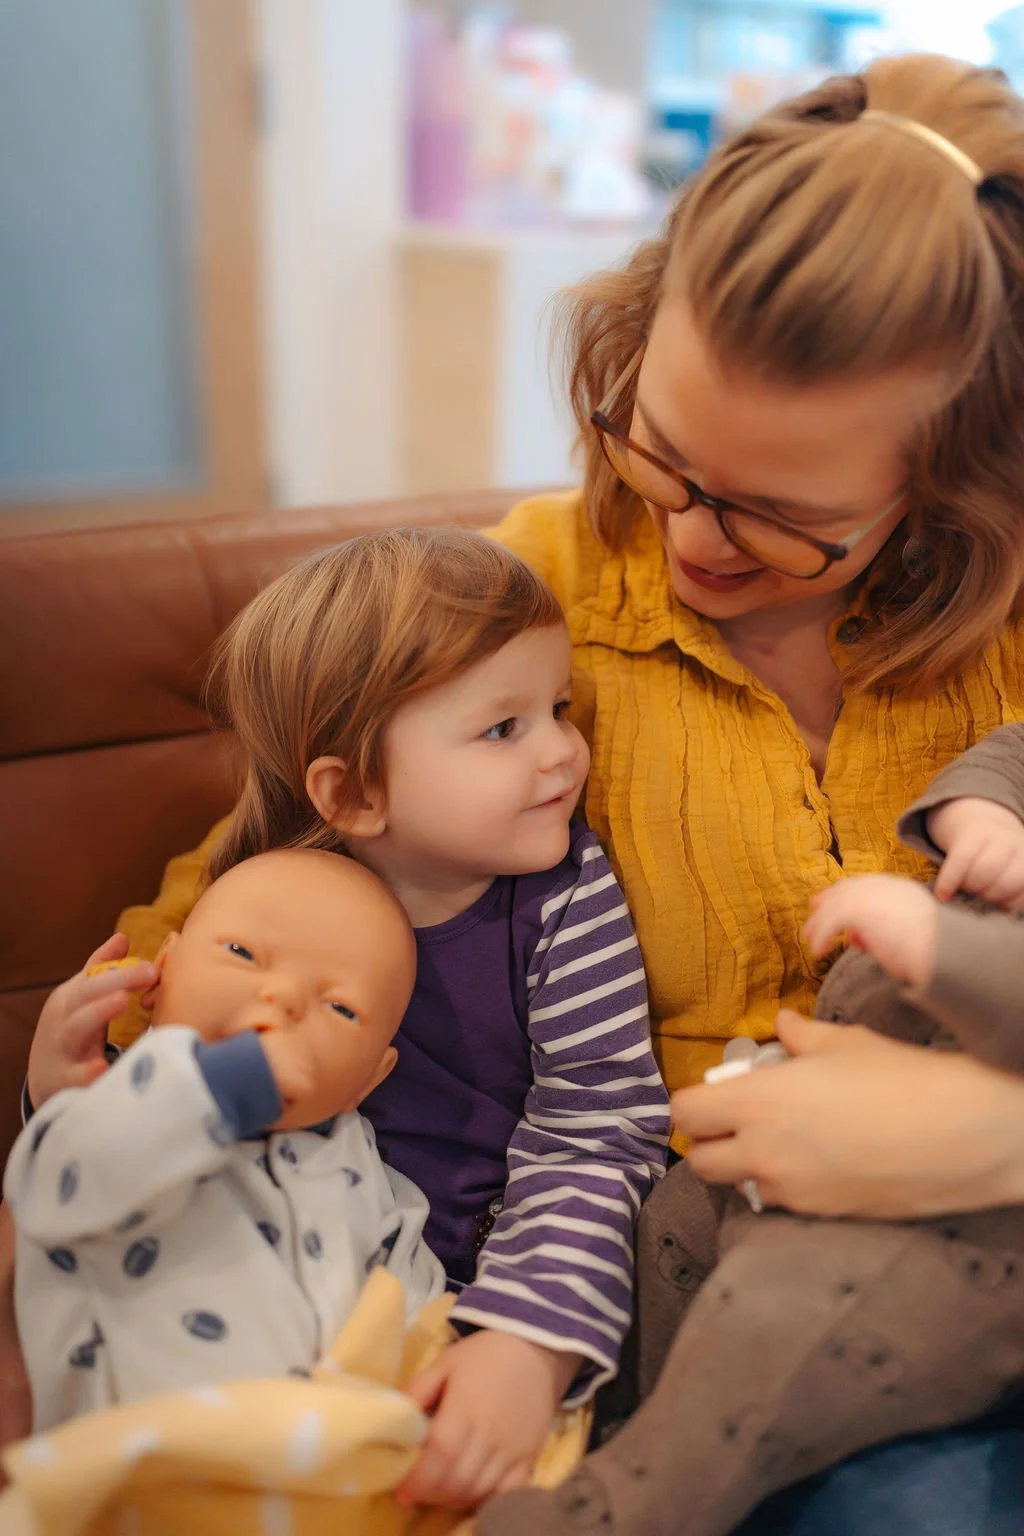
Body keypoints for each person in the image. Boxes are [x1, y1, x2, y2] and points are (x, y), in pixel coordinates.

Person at [8, 45, 1024, 1529]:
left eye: (783, 517)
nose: (691, 540)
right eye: (658, 453)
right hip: (721, 1302)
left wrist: (983, 1140)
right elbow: (275, 878)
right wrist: (118, 1058)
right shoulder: (524, 613)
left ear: (960, 483)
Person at [18, 528, 669, 1511]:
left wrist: (521, 1341)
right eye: (504, 728)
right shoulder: (259, 891)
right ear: (353, 791)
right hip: (237, 1268)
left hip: (449, 1295)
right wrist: (59, 1089)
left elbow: (600, 1129)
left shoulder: (566, 901)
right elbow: (166, 1100)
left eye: (559, 709)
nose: (563, 752)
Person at [476, 726, 1024, 1536]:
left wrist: (939, 943)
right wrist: (983, 820)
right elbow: (1008, 755)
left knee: (770, 1330)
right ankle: (632, 1423)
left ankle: (624, 1509)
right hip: (792, 1135)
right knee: (673, 1225)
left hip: (953, 1236)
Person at [5, 849, 444, 1432]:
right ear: (160, 975)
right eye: (242, 953)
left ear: (365, 1081)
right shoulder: (125, 1102)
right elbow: (54, 1190)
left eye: (340, 1007)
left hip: (313, 1446)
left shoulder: (368, 1175)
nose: (284, 997)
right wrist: (215, 1086)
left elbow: (414, 1306)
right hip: (137, 1440)